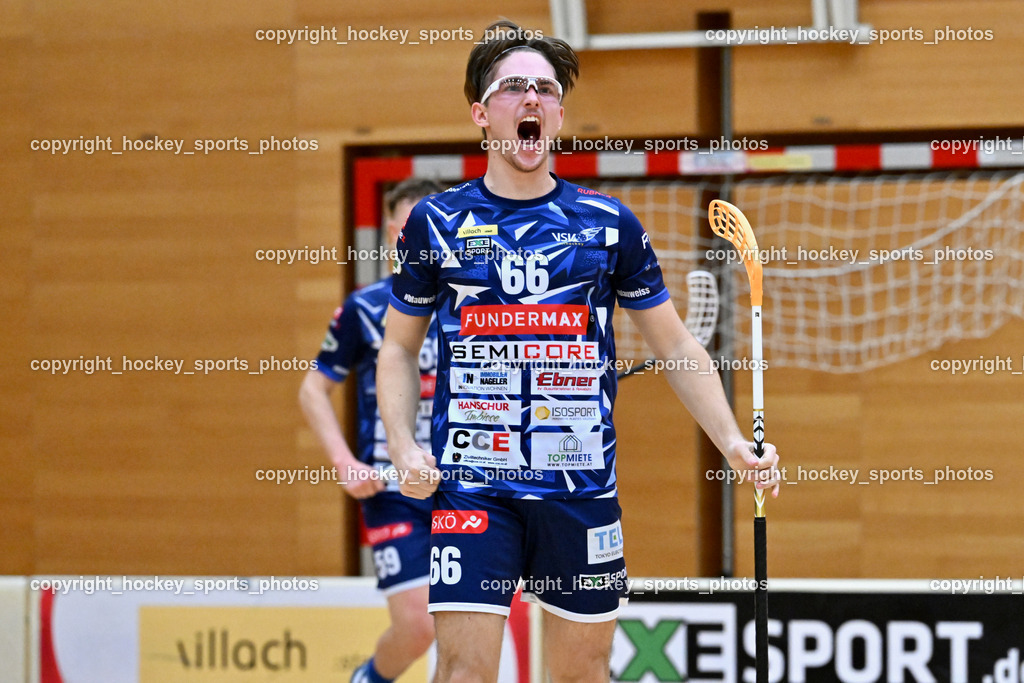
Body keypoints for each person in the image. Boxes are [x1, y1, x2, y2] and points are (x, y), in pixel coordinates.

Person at [377, 20, 782, 683]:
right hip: (475, 484)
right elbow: (397, 348)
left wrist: (733, 441)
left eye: (545, 89)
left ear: (560, 113)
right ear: (482, 113)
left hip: (581, 486)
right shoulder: (436, 222)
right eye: (513, 88)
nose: (531, 99)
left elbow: (676, 343)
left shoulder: (609, 224)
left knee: (584, 673)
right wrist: (401, 444)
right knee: (461, 671)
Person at [299, 177, 444, 683]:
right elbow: (313, 389)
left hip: (462, 484)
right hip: (392, 488)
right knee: (418, 625)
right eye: (404, 230)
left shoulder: (468, 305)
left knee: (461, 628)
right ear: (388, 233)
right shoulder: (364, 308)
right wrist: (345, 462)